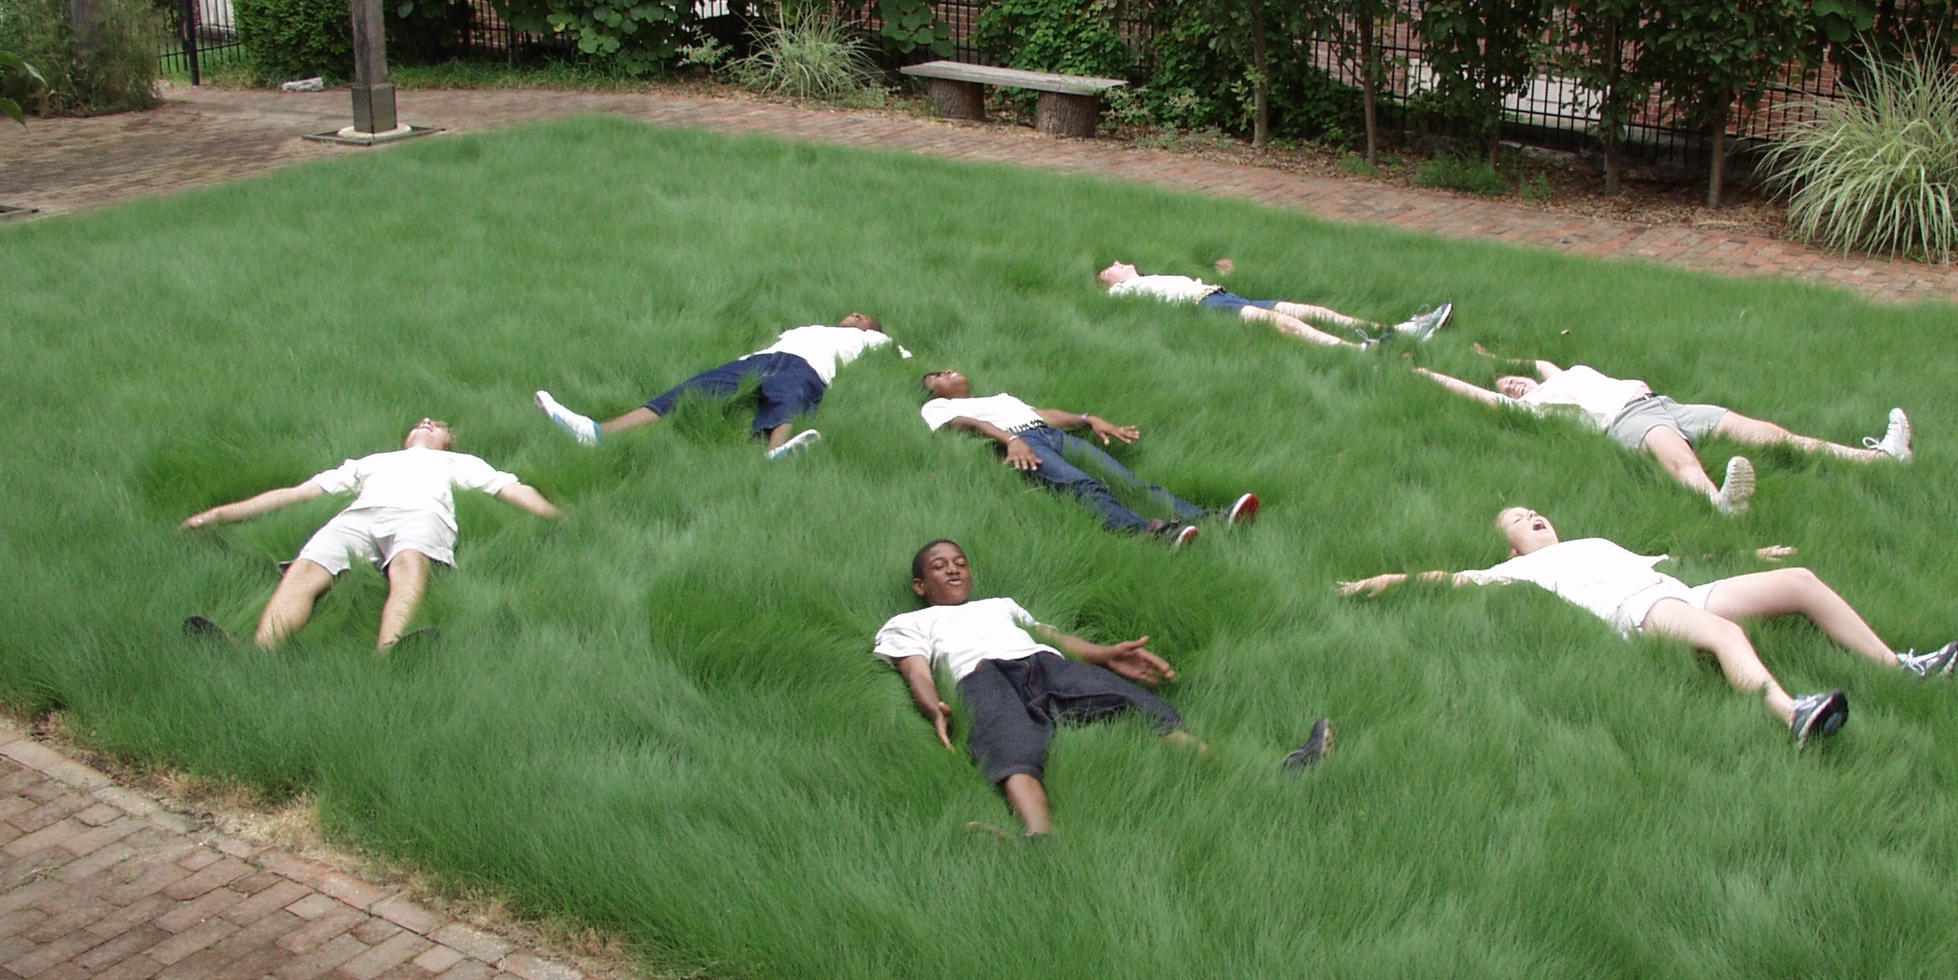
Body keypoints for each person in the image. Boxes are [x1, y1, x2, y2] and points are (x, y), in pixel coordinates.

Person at [1338, 505, 1958, 745]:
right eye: (1517, 520)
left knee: (1800, 581)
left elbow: (1677, 562)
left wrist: (1759, 555)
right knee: (1726, 637)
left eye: (1534, 510)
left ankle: (1899, 667)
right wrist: (1364, 587)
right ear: (1508, 550)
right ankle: (1792, 713)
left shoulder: (1595, 538)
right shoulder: (1510, 575)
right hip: (1636, 611)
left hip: (1676, 590)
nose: (1533, 516)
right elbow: (1433, 581)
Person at [876, 539, 1333, 837]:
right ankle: (1039, 837)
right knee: (1007, 739)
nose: (954, 570)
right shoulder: (910, 621)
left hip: (1044, 664)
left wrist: (1106, 654)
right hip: (982, 676)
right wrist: (931, 704)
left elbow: (1053, 638)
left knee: (1135, 704)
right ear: (921, 585)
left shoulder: (1001, 605)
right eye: (940, 567)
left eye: (960, 563)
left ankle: (1273, 773)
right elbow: (914, 667)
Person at [181, 417, 563, 652]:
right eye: (422, 420)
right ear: (405, 437)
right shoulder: (371, 462)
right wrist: (218, 514)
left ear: (448, 441)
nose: (428, 421)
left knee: (409, 564)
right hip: (360, 516)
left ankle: (390, 651)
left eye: (439, 424)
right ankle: (259, 654)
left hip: (420, 514)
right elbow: (296, 494)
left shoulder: (459, 462)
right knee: (306, 566)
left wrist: (559, 517)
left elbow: (511, 489)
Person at [1414, 354, 1913, 516]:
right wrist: (1431, 375)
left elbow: (1539, 361)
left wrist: (1489, 354)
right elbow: (1480, 394)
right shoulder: (1537, 408)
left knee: (1765, 431)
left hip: (1663, 402)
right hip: (1628, 423)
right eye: (1510, 387)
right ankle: (1721, 504)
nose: (1516, 383)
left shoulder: (1558, 375)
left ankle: (1878, 459)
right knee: (1680, 460)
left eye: (1516, 378)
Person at [918, 370, 1260, 547]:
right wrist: (1010, 439)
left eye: (948, 369)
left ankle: (1213, 519)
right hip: (1018, 442)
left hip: (1049, 433)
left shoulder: (1000, 397)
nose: (946, 372)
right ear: (931, 390)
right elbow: (962, 425)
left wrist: (1087, 419)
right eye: (936, 375)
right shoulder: (937, 406)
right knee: (1083, 485)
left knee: (1129, 481)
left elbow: (1044, 414)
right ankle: (1151, 535)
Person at [535, 314, 906, 459]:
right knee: (691, 391)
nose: (856, 316)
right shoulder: (808, 328)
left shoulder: (874, 342)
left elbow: (906, 363)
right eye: (854, 313)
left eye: (864, 318)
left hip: (808, 368)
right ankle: (599, 432)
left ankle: (775, 452)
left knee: (788, 400)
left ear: (872, 330)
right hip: (758, 361)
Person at [1094, 259, 1451, 351]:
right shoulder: (1122, 294)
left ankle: (1399, 329)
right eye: (1108, 269)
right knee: (1281, 323)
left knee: (1307, 310)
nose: (1114, 263)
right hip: (1206, 307)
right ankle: (1358, 351)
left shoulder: (1145, 279)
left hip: (1219, 295)